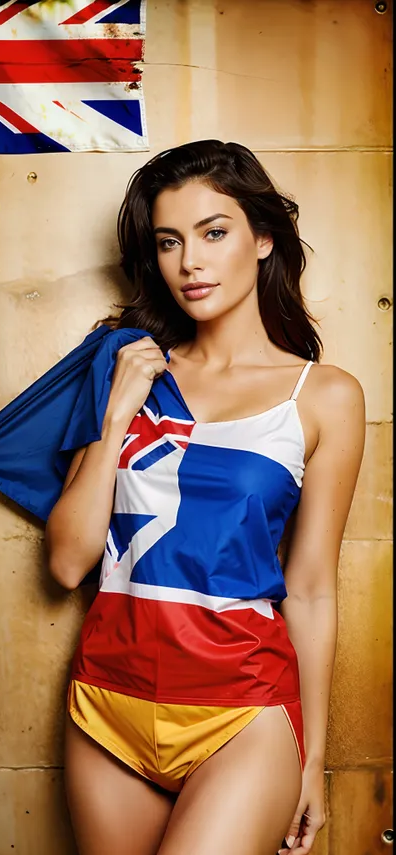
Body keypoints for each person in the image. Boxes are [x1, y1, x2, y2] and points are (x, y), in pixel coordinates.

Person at [44, 140, 366, 855]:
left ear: (262, 238)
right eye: (168, 241)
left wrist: (312, 758)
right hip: (107, 703)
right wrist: (116, 412)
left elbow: (311, 589)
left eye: (213, 232)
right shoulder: (122, 363)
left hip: (243, 711)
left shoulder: (324, 396)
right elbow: (68, 563)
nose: (189, 261)